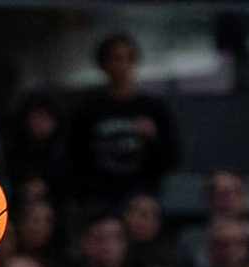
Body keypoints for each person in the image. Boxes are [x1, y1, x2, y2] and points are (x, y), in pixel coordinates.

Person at [67, 32, 180, 207]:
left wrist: (154, 137)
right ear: (103, 65)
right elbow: (75, 155)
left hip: (142, 194)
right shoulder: (88, 109)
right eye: (116, 59)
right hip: (99, 196)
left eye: (129, 59)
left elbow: (171, 158)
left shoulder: (152, 108)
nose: (123, 65)